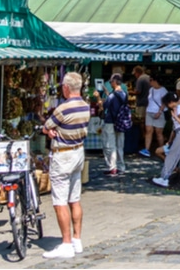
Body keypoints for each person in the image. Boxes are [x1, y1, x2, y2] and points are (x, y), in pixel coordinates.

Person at [41, 72, 91, 259]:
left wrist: (50, 131)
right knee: (75, 198)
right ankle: (77, 239)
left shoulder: (63, 109)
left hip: (63, 155)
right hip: (78, 152)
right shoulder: (85, 106)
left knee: (60, 201)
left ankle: (66, 243)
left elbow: (47, 126)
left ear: (66, 88)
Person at [102, 74, 128, 177]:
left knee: (109, 145)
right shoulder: (125, 94)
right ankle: (121, 167)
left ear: (114, 82)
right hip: (121, 122)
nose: (110, 83)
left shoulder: (112, 95)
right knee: (120, 146)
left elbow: (105, 106)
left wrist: (99, 98)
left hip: (110, 121)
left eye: (111, 81)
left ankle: (112, 167)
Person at [141, 75, 168, 158]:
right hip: (150, 111)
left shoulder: (163, 90)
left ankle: (162, 149)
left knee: (158, 132)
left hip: (158, 112)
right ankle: (146, 149)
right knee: (148, 131)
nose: (150, 82)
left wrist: (159, 112)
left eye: (151, 80)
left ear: (155, 81)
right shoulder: (151, 90)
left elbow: (164, 102)